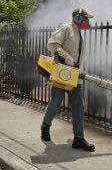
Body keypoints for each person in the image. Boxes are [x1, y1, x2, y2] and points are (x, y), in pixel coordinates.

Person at [40, 8, 95, 152]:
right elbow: (52, 44)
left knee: (78, 107)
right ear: (77, 18)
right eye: (85, 18)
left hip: (75, 75)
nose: (87, 22)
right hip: (62, 73)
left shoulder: (79, 34)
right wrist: (67, 57)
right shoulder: (66, 28)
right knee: (55, 103)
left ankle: (78, 138)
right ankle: (45, 127)